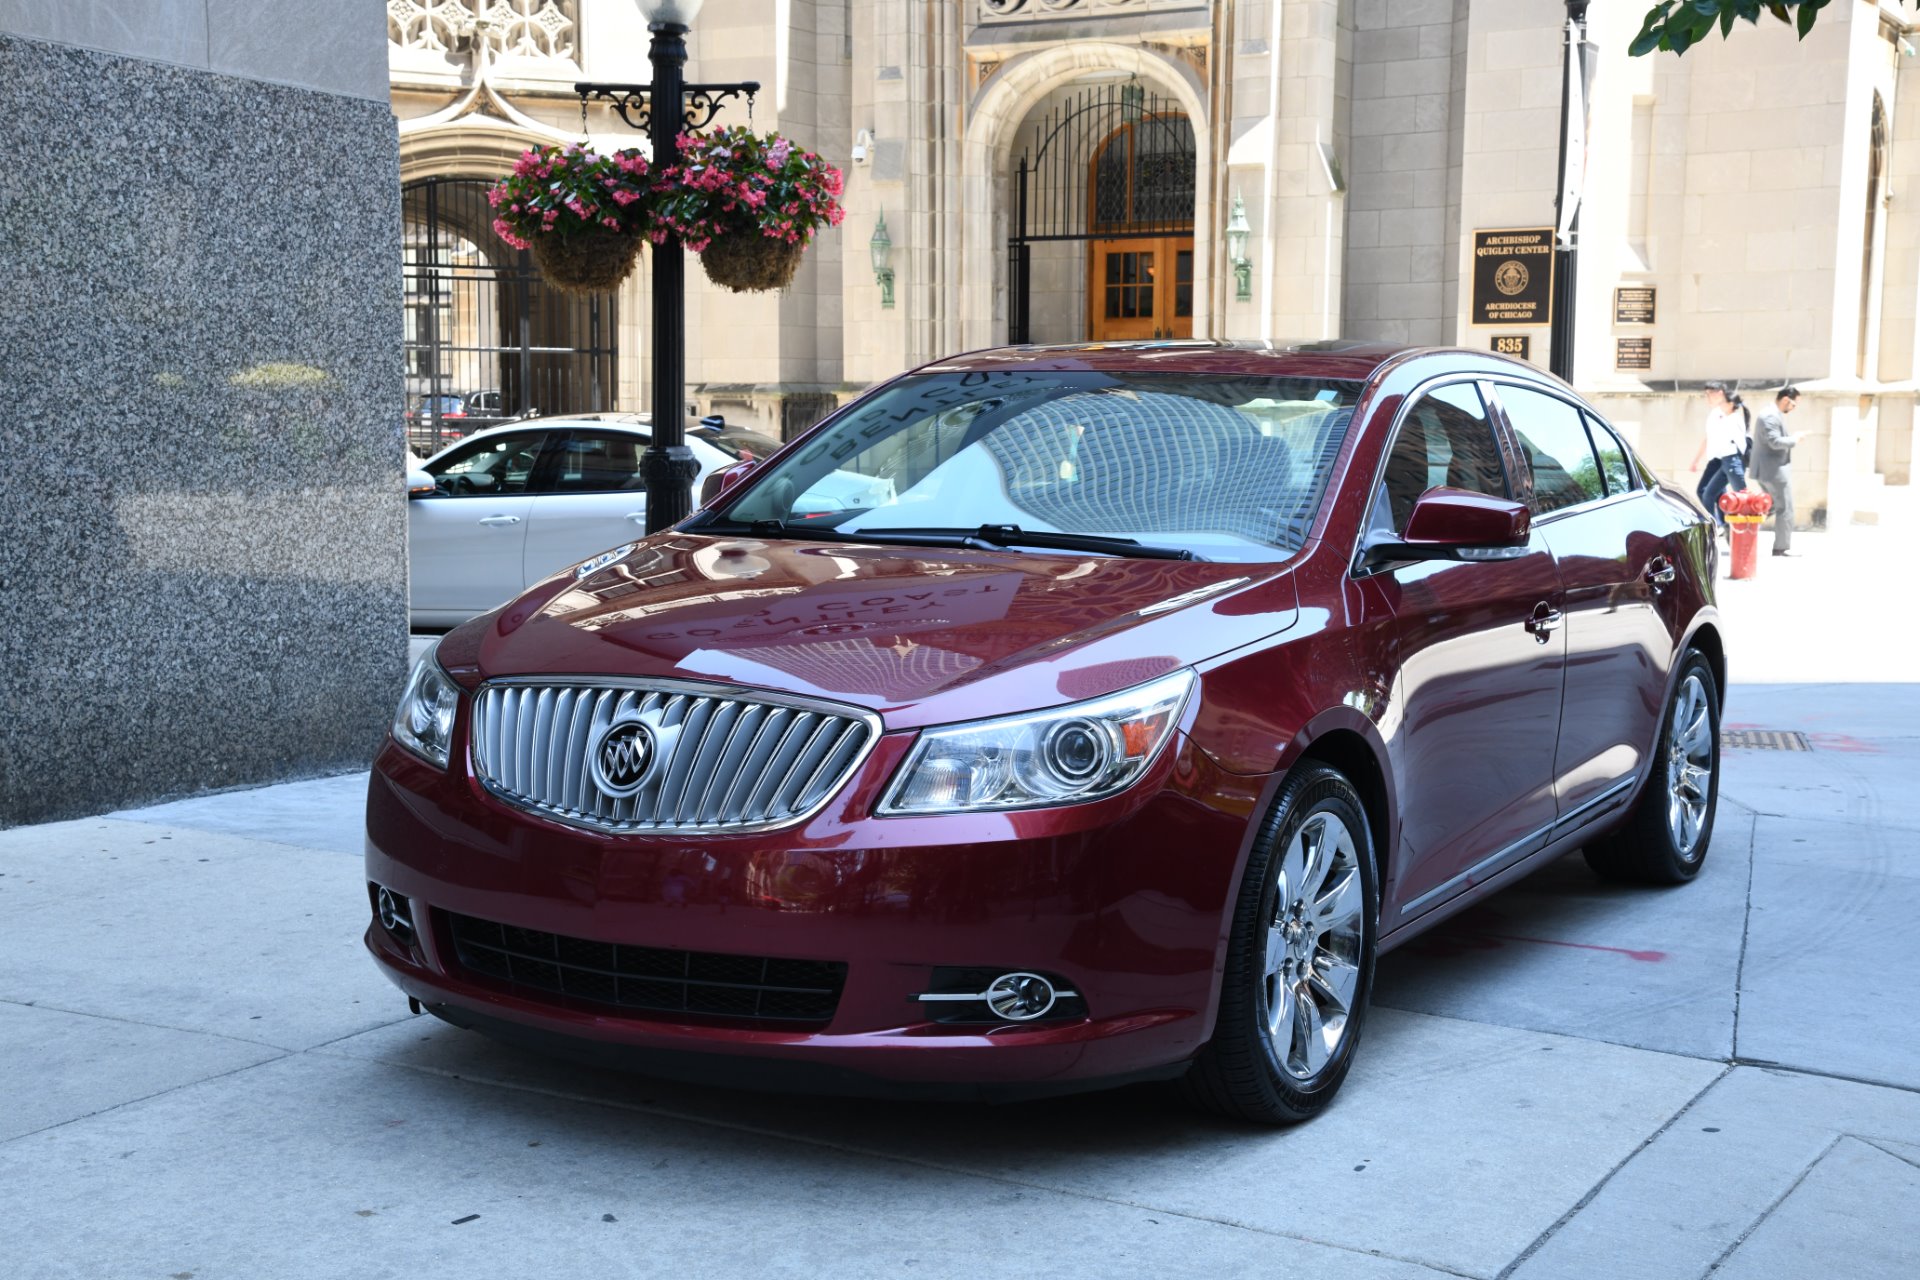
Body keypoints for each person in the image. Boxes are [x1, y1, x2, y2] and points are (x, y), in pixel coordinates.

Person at [1692, 381, 1750, 534]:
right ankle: (1720, 525)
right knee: (1710, 492)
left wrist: (1740, 458)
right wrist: (1696, 459)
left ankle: (1720, 525)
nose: (1707, 398)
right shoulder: (1716, 413)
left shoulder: (1729, 415)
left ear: (1720, 394)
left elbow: (1740, 441)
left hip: (1727, 459)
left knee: (1712, 492)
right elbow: (1709, 438)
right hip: (1719, 459)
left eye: (1709, 394)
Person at [1750, 385, 1802, 556]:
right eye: (1794, 405)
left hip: (1769, 469)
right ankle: (1781, 547)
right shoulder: (1770, 416)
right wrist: (1794, 439)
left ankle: (1738, 528)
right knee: (1785, 508)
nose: (1794, 409)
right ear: (1786, 399)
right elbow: (1774, 441)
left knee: (1769, 506)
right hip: (1774, 471)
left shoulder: (1770, 414)